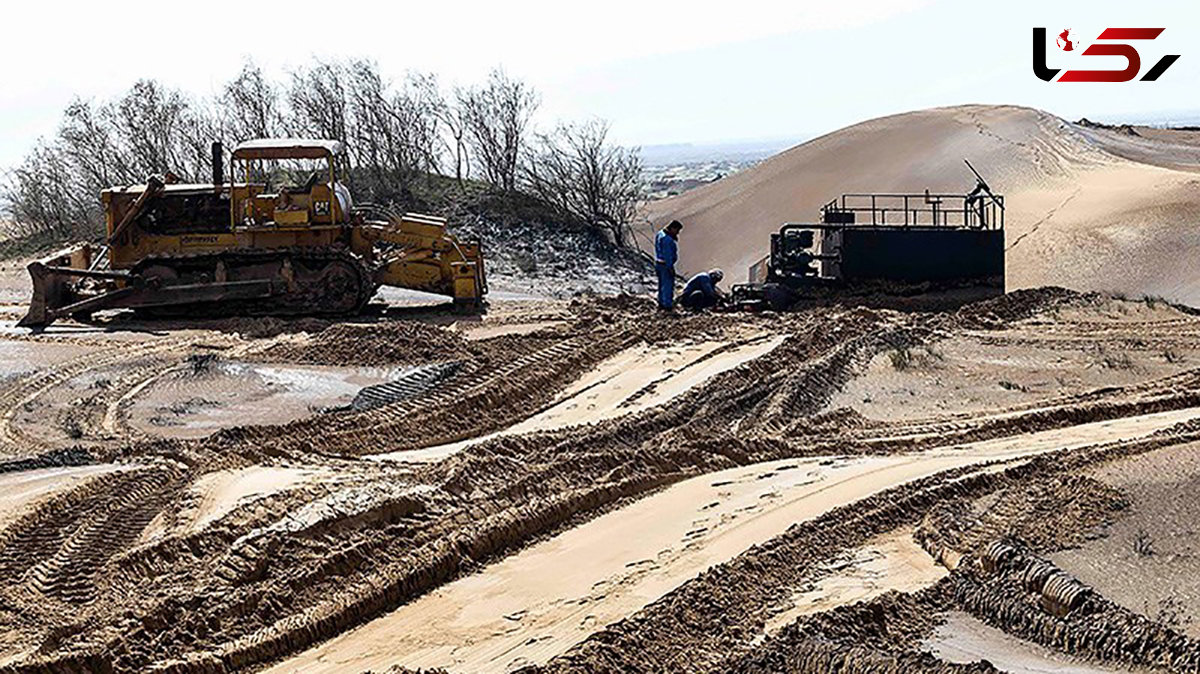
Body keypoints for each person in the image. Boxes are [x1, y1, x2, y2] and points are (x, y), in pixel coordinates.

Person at [654, 220, 682, 311]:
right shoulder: (667, 239)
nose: (677, 233)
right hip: (665, 265)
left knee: (661, 284)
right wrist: (670, 267)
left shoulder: (660, 234)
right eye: (677, 230)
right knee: (667, 285)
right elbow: (668, 255)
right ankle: (667, 305)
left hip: (659, 263)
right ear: (673, 228)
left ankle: (661, 302)